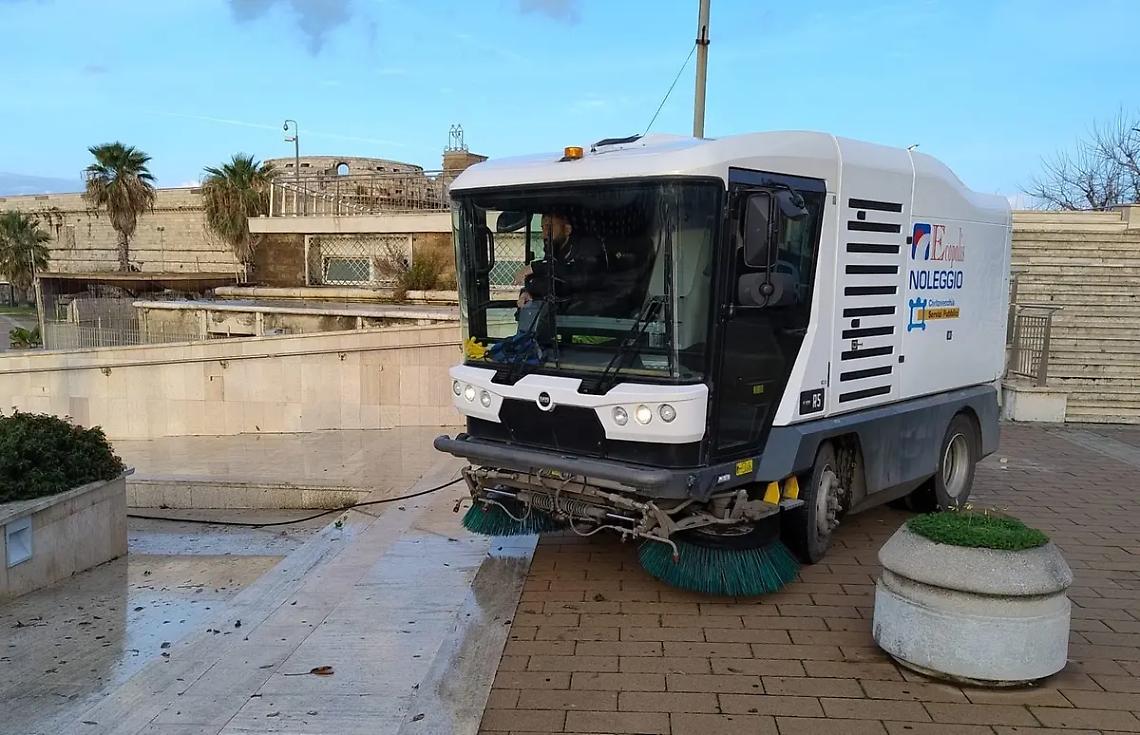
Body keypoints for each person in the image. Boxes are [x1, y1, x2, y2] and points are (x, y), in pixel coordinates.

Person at [516, 211, 611, 314]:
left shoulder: (589, 247)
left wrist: (535, 267)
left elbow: (578, 276)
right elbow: (547, 282)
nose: (544, 234)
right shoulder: (553, 251)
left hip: (593, 321)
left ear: (567, 229)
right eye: (543, 228)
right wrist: (528, 293)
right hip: (559, 320)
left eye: (549, 227)